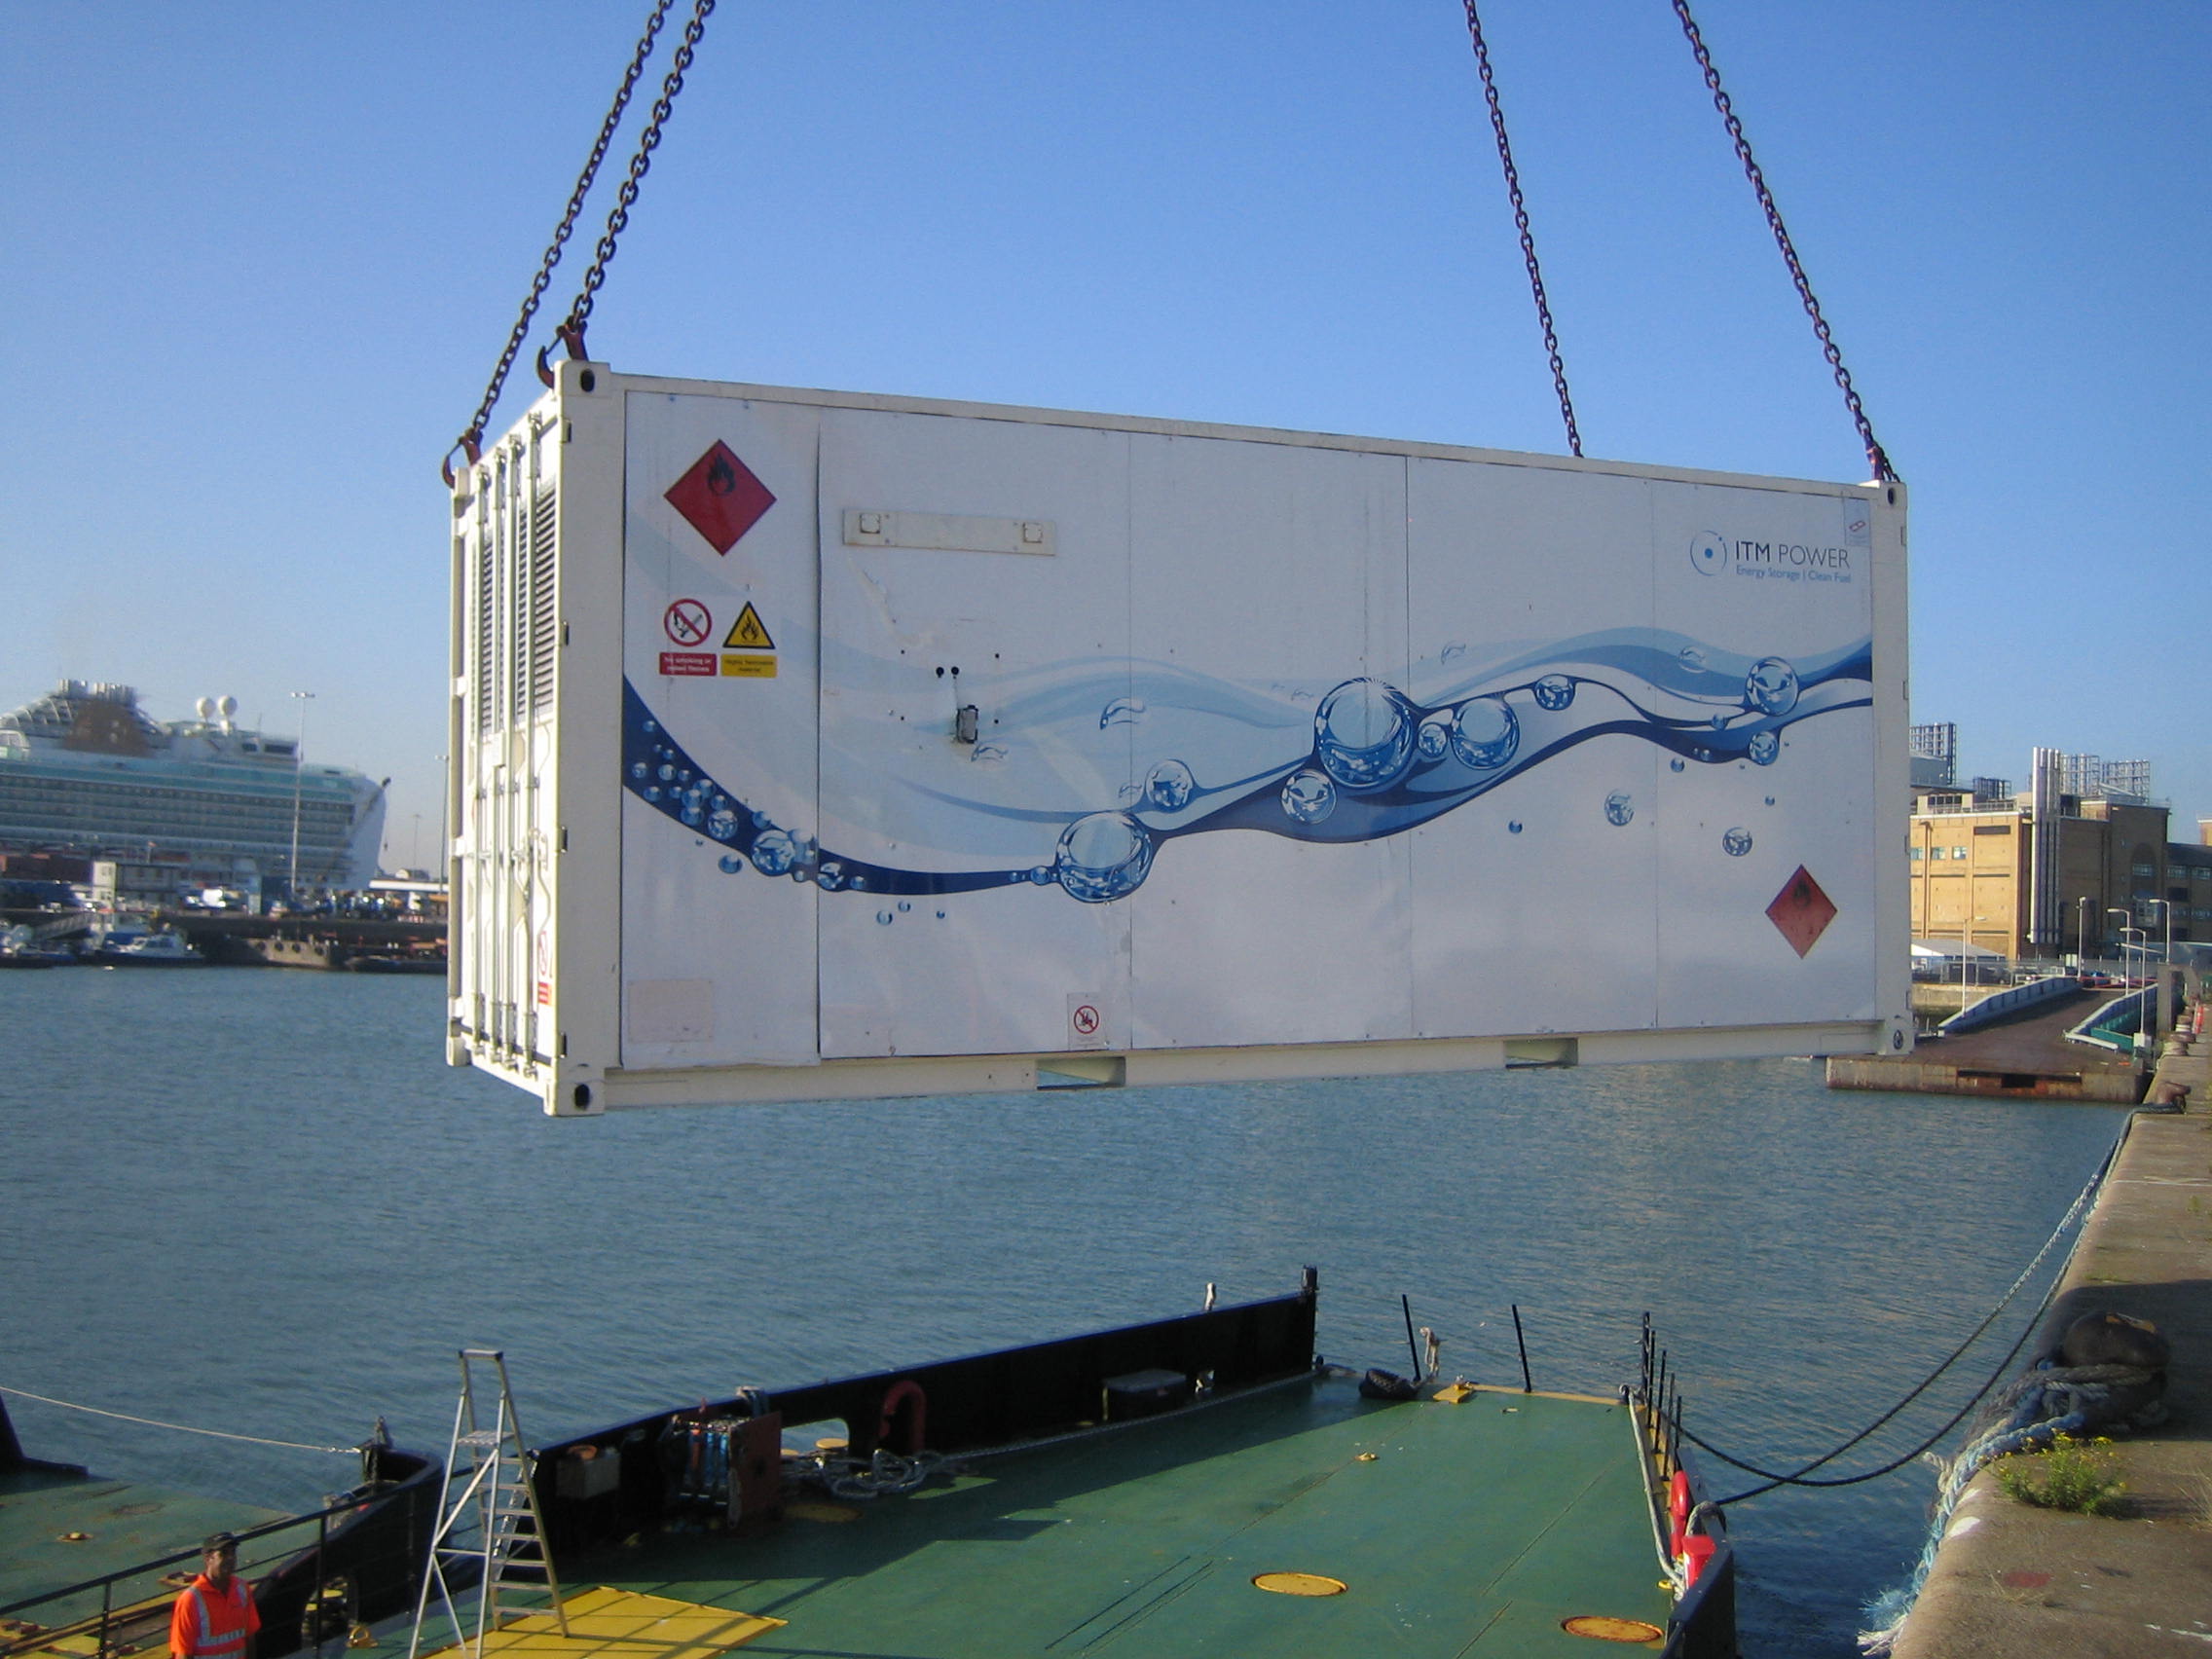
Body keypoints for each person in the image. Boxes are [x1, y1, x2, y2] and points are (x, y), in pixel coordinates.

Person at [169, 1532, 258, 1659]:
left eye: (233, 1552)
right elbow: (183, 1652)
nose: (230, 1558)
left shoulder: (242, 1589)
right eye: (224, 1553)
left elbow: (250, 1636)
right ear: (208, 1558)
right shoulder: (190, 1599)